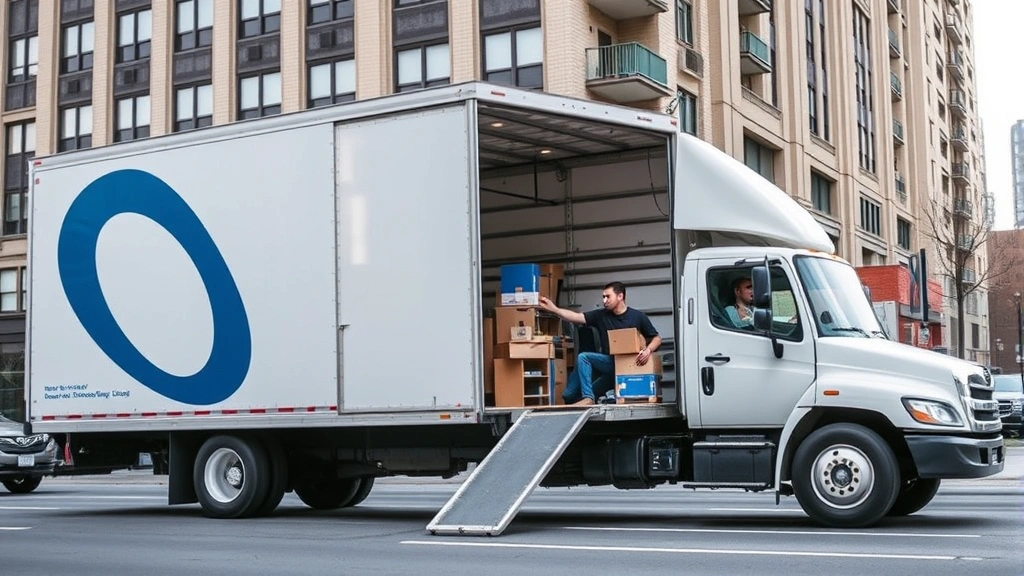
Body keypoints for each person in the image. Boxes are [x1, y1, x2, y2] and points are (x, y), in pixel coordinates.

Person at [538, 282, 661, 406]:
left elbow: (656, 338)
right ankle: (588, 398)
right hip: (609, 362)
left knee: (594, 388)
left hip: (627, 366)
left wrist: (648, 351)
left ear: (620, 296)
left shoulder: (637, 317)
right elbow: (576, 317)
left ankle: (589, 397)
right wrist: (554, 309)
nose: (604, 300)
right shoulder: (600, 315)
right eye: (603, 297)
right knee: (571, 388)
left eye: (608, 296)